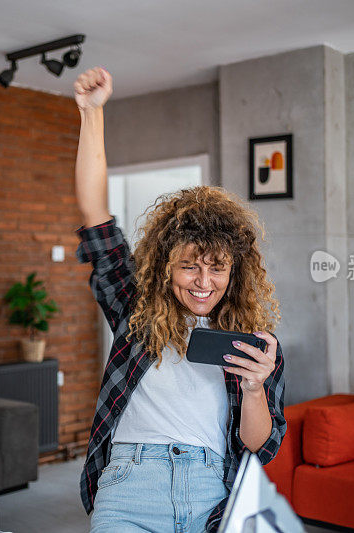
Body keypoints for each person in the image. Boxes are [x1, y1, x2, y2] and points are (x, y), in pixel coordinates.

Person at [74, 67, 287, 533]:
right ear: (165, 265)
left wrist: (255, 387)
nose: (202, 282)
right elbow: (95, 217)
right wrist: (92, 114)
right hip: (130, 484)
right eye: (190, 265)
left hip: (211, 492)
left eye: (217, 268)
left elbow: (258, 446)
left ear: (235, 272)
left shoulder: (255, 344)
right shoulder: (137, 312)